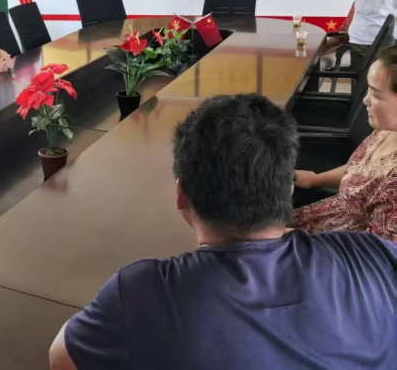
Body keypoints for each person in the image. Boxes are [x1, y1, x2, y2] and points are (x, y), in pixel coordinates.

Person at [49, 94, 397, 370]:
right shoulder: (370, 253)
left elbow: (62, 359)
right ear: (288, 188)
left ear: (181, 195)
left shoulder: (141, 292)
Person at [293, 45, 397, 242]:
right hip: (323, 219)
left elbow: (376, 254)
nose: (365, 100)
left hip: (332, 248)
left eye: (376, 95)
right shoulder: (387, 128)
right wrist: (315, 179)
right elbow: (360, 169)